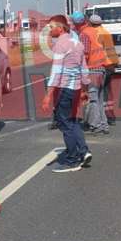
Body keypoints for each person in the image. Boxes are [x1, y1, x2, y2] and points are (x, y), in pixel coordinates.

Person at [40, 15, 91, 172]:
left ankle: (72, 159)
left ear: (60, 28)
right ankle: (83, 150)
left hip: (64, 89)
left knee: (65, 124)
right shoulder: (77, 43)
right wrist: (84, 89)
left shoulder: (61, 45)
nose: (49, 30)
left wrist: (48, 95)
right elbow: (83, 68)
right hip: (75, 87)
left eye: (51, 27)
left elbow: (56, 71)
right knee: (73, 120)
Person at [82, 14, 119, 135]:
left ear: (89, 22)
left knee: (93, 99)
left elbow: (86, 53)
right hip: (106, 66)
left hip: (94, 67)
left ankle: (96, 125)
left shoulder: (89, 33)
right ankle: (104, 124)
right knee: (101, 98)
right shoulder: (105, 32)